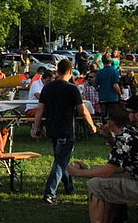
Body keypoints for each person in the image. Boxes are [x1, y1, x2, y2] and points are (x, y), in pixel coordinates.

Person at [31, 59, 96, 205]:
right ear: (70, 71)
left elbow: (40, 109)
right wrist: (91, 125)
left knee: (61, 158)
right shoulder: (72, 88)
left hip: (52, 128)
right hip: (66, 129)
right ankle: (49, 193)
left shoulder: (47, 87)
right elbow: (82, 110)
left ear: (58, 71)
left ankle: (69, 187)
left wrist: (36, 127)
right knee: (60, 162)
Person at [93, 53, 122, 121]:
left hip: (103, 97)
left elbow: (95, 85)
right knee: (112, 117)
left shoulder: (99, 72)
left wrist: (100, 90)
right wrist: (120, 94)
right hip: (113, 98)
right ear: (111, 61)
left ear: (102, 61)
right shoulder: (115, 72)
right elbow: (115, 85)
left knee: (104, 116)